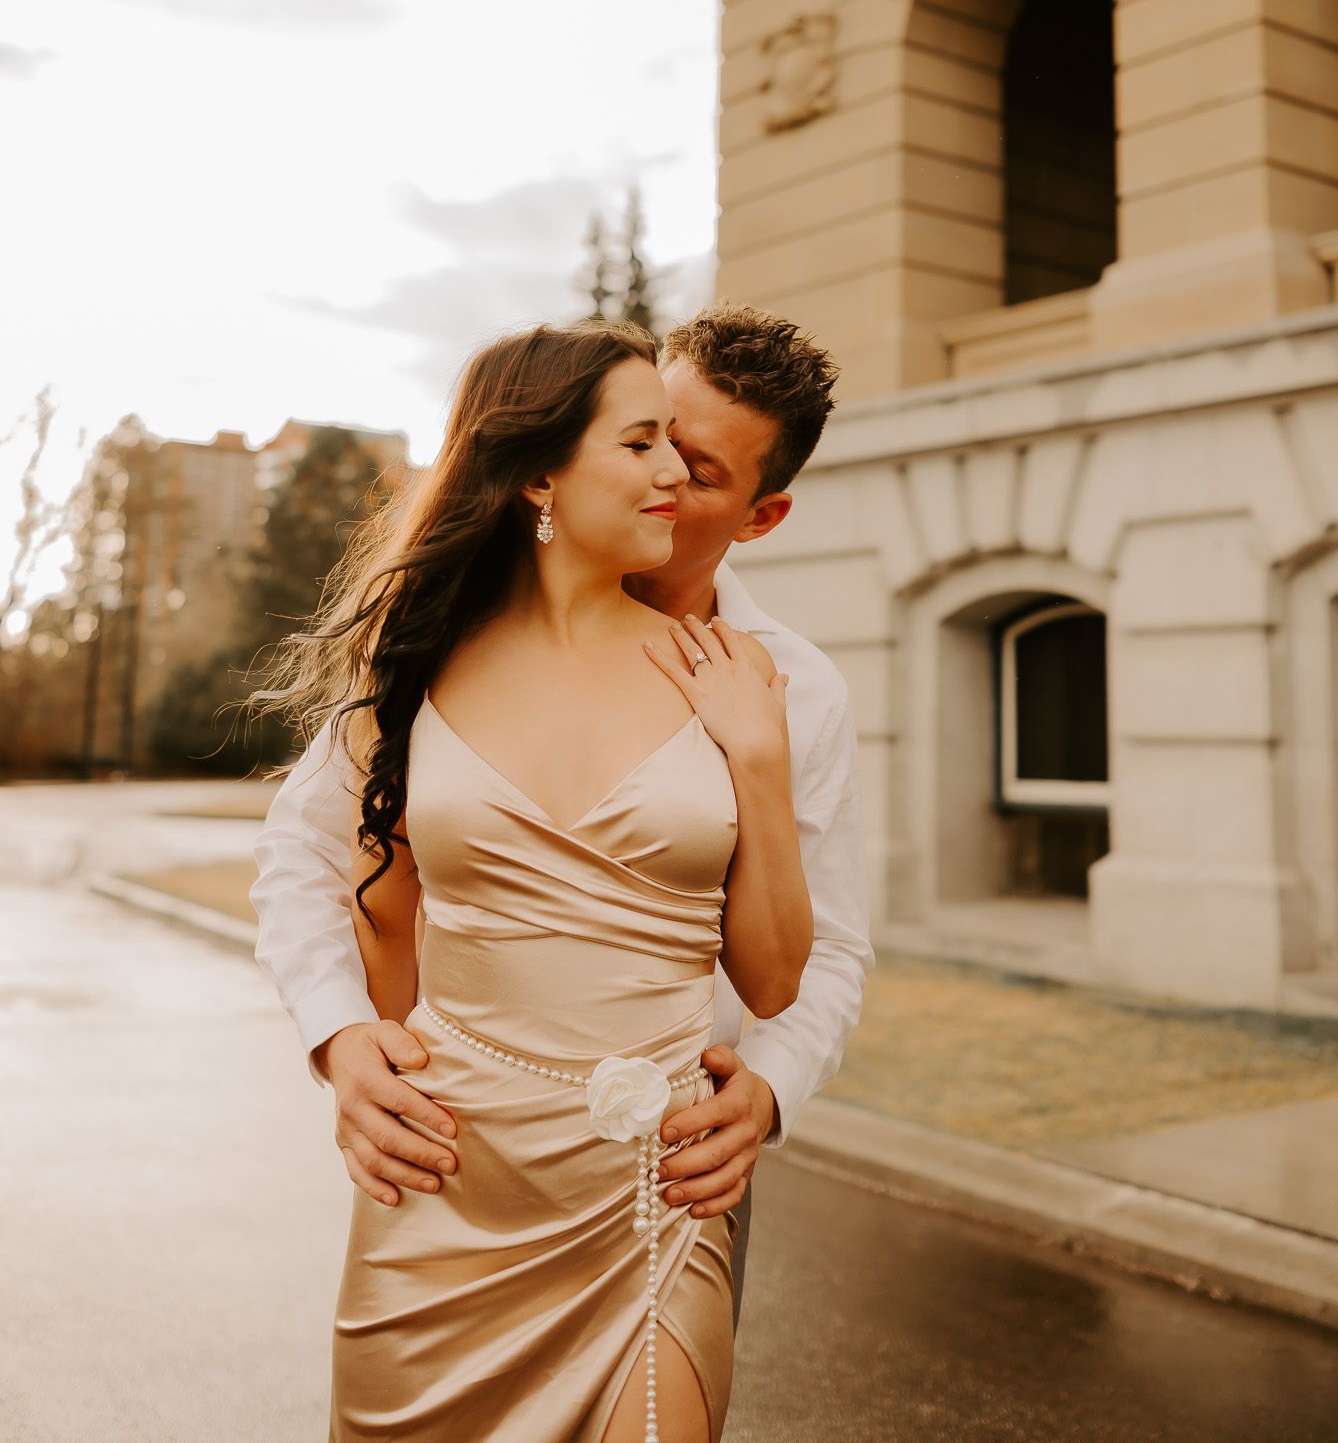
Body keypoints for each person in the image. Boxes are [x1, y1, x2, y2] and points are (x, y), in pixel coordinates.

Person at [250, 305, 874, 1441]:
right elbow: (311, 856)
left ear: (763, 512)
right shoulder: (437, 643)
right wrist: (343, 1038)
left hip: (666, 1160)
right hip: (463, 1155)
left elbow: (821, 943)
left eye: (697, 464)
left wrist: (769, 1089)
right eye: (644, 439)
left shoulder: (793, 688)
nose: (666, 478)